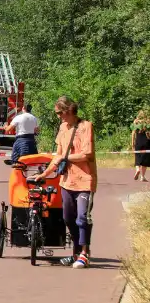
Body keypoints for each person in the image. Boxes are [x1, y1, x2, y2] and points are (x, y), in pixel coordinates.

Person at [37, 97, 97, 268]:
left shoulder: (86, 126)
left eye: (59, 112)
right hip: (66, 181)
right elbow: (58, 154)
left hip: (85, 181)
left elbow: (87, 154)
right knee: (68, 219)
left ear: (69, 110)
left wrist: (65, 157)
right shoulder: (63, 127)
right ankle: (76, 253)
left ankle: (85, 253)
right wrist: (45, 174)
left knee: (82, 218)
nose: (58, 116)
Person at [132, 111, 150, 182]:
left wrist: (132, 143)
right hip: (147, 142)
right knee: (145, 159)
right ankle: (142, 177)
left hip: (138, 142)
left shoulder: (135, 122)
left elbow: (133, 133)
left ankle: (137, 169)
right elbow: (149, 135)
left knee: (137, 157)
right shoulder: (147, 122)